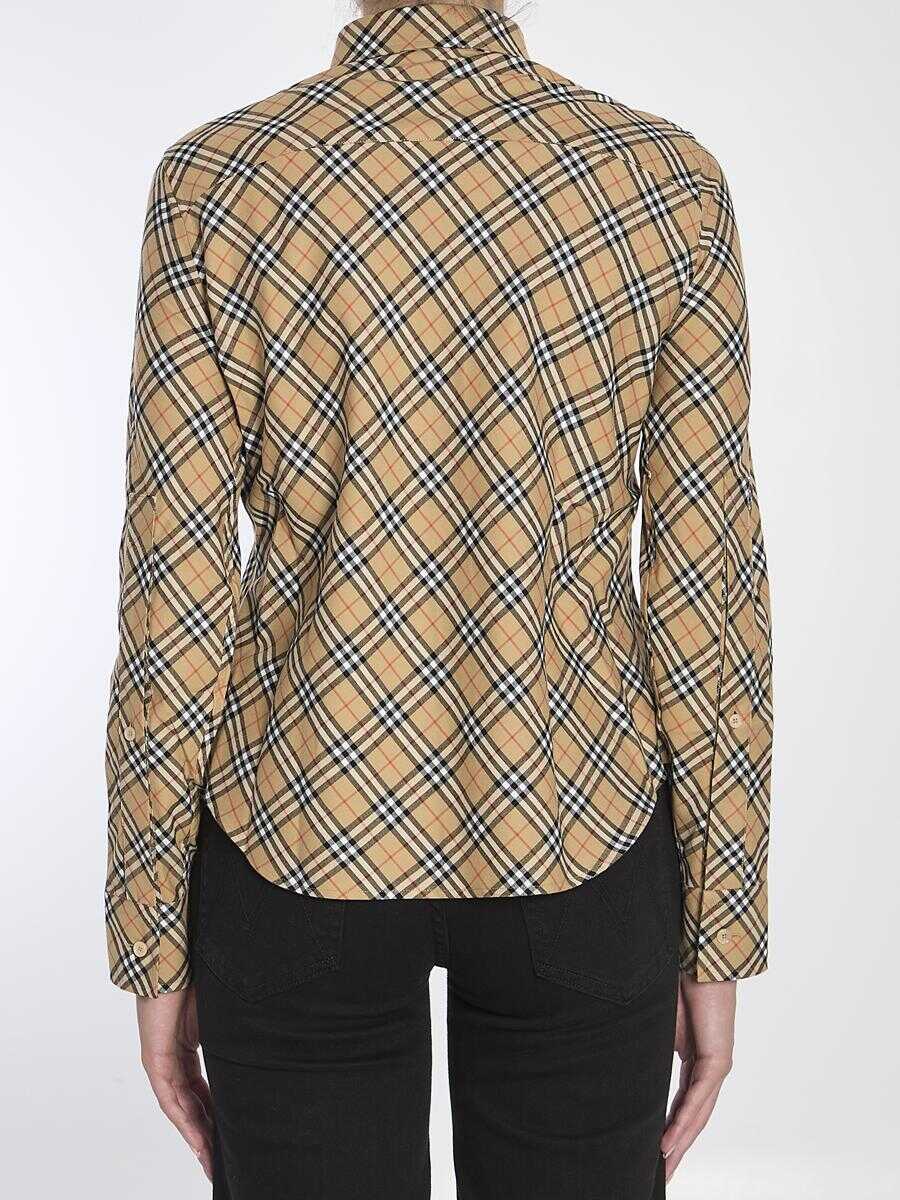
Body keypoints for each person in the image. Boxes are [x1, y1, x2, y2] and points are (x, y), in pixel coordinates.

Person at [104, 1, 773, 1195]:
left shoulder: (220, 183)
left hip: (297, 828)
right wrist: (718, 931)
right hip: (579, 823)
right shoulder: (667, 184)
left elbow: (175, 596)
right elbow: (706, 587)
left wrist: (156, 942)